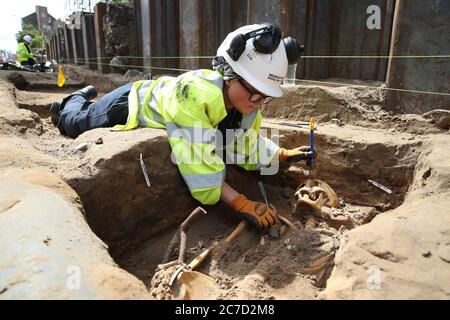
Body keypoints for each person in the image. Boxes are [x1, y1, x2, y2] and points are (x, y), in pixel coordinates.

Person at [50, 23, 314, 233]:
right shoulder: (193, 97)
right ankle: (74, 99)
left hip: (146, 98)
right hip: (127, 103)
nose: (260, 103)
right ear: (230, 75)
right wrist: (240, 202)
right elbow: (198, 163)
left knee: (78, 118)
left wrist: (280, 155)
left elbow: (243, 143)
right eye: (256, 95)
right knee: (74, 123)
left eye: (266, 97)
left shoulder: (246, 106)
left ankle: (82, 98)